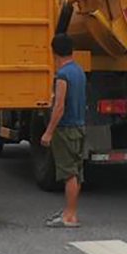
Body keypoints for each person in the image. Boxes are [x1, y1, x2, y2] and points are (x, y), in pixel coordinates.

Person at [41, 33, 86, 228]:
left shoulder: (63, 75)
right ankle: (71, 210)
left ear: (54, 52)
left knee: (68, 173)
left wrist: (49, 131)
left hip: (66, 128)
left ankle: (69, 215)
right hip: (79, 127)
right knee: (76, 173)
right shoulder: (79, 71)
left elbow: (59, 106)